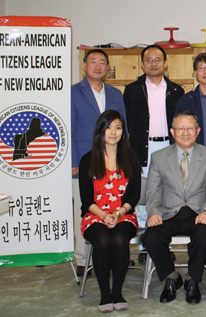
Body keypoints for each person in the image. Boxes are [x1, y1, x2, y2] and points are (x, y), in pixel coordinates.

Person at [142, 110, 206, 304]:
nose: (185, 133)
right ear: (172, 131)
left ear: (198, 130)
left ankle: (192, 280)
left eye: (190, 128)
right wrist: (153, 212)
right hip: (168, 213)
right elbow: (152, 191)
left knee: (204, 236)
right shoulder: (159, 156)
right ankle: (171, 277)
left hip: (198, 212)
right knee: (150, 237)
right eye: (180, 129)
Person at [71, 49, 128, 275]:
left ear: (107, 67)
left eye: (102, 62)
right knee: (86, 208)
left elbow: (124, 127)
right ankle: (83, 260)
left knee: (115, 206)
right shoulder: (74, 93)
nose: (97, 66)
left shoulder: (115, 93)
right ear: (84, 65)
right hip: (86, 161)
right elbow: (70, 128)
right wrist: (74, 160)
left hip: (114, 160)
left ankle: (114, 255)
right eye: (92, 61)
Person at [78, 110, 141, 312]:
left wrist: (118, 213)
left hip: (124, 215)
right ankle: (105, 294)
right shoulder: (88, 160)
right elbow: (86, 198)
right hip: (94, 215)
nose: (113, 132)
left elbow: (134, 196)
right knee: (103, 239)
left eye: (118, 127)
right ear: (100, 131)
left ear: (123, 132)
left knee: (120, 239)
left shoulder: (131, 159)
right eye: (108, 127)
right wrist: (104, 215)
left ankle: (117, 292)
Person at [123, 44, 184, 231]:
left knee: (168, 192)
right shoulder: (133, 90)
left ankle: (164, 241)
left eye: (157, 60)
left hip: (168, 146)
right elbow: (127, 121)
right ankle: (144, 244)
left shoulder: (176, 91)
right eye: (148, 60)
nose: (153, 64)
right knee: (143, 193)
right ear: (142, 64)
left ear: (165, 63)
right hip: (142, 148)